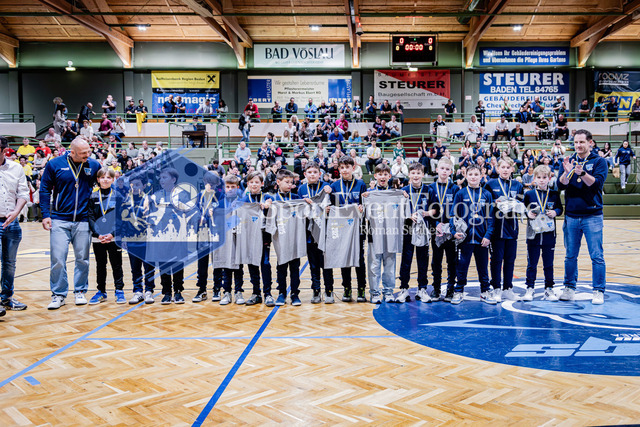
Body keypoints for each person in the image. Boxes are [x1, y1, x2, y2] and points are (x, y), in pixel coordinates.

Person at [40, 137, 101, 309]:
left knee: (83, 259)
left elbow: (104, 185)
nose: (87, 155)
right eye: (83, 153)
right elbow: (44, 189)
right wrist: (45, 214)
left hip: (83, 220)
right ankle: (58, 294)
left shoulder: (94, 165)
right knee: (58, 259)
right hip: (59, 219)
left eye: (89, 151)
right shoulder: (54, 164)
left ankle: (80, 291)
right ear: (72, 152)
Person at [557, 129, 608, 304]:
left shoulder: (599, 161)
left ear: (590, 142)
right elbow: (561, 185)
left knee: (597, 256)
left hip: (592, 215)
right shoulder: (568, 161)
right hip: (571, 216)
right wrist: (567, 173)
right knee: (570, 255)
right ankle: (569, 288)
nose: (578, 145)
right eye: (576, 142)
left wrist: (582, 173)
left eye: (582, 142)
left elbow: (597, 184)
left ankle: (598, 290)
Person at [450, 164, 496, 305]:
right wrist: (454, 232)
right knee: (462, 266)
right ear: (465, 176)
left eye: (476, 174)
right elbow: (453, 215)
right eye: (470, 174)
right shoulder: (461, 194)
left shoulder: (487, 194)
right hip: (465, 239)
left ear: (481, 176)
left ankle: (485, 291)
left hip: (482, 239)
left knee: (483, 267)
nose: (473, 177)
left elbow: (491, 218)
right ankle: (459, 291)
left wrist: (488, 236)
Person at [362, 163, 403, 304]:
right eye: (380, 174)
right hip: (373, 235)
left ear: (389, 176)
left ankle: (388, 292)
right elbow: (363, 215)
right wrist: (364, 199)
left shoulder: (396, 194)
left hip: (390, 235)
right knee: (374, 265)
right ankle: (374, 293)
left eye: (385, 174)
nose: (382, 177)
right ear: (375, 176)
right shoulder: (368, 194)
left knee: (390, 265)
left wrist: (403, 195)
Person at [485, 158, 524, 302]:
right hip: (496, 230)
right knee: (496, 260)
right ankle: (496, 288)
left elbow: (522, 203)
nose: (505, 170)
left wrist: (516, 204)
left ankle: (508, 288)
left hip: (512, 229)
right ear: (497, 168)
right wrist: (494, 203)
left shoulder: (518, 185)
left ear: (512, 169)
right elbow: (485, 203)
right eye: (503, 167)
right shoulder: (490, 184)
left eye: (508, 167)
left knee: (510, 260)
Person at [330, 156, 367, 302]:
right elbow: (332, 207)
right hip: (342, 228)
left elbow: (365, 205)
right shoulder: (334, 186)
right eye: (342, 167)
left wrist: (362, 207)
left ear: (353, 168)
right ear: (339, 169)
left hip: (357, 228)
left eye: (347, 167)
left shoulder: (361, 184)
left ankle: (361, 288)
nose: (345, 170)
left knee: (359, 258)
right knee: (344, 258)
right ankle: (347, 288)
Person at [523, 165, 563, 302]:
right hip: (533, 235)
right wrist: (527, 213)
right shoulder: (529, 194)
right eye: (539, 177)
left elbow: (560, 208)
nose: (541, 180)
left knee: (548, 264)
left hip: (549, 235)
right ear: (534, 178)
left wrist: (555, 212)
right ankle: (530, 288)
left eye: (544, 177)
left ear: (549, 178)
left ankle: (549, 288)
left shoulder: (554, 194)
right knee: (532, 263)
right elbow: (524, 209)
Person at [264, 169, 303, 306]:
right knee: (281, 267)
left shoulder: (297, 198)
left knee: (295, 267)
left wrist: (307, 202)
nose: (290, 185)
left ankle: (295, 293)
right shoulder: (273, 199)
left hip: (295, 237)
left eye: (291, 182)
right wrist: (266, 207)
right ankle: (281, 293)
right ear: (278, 182)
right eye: (287, 182)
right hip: (280, 237)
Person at [87, 167, 125, 304]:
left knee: (116, 264)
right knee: (100, 265)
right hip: (98, 238)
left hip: (114, 237)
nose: (105, 180)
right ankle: (101, 291)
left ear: (113, 179)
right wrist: (98, 234)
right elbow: (90, 217)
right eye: (102, 177)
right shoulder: (92, 196)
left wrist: (112, 234)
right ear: (98, 179)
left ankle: (119, 291)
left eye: (108, 177)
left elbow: (121, 217)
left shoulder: (118, 196)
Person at [297, 162, 334, 304]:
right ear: (305, 174)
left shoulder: (326, 187)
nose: (312, 174)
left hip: (325, 232)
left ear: (320, 174)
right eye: (309, 172)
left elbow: (333, 205)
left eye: (315, 172)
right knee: (313, 264)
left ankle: (329, 291)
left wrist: (329, 204)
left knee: (326, 263)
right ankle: (316, 290)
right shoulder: (301, 189)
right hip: (309, 233)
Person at [0, 137, 29, 313]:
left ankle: (6, 298)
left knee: (10, 263)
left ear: (4, 150)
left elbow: (23, 193)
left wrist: (16, 211)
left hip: (11, 221)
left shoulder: (16, 168)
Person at [398, 162, 434, 303]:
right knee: (406, 260)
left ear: (423, 174)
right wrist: (408, 215)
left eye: (418, 173)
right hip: (407, 229)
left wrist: (426, 213)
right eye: (413, 173)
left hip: (423, 230)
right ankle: (404, 289)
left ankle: (422, 289)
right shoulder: (403, 190)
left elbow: (436, 209)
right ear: (409, 174)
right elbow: (398, 210)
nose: (416, 175)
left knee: (422, 260)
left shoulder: (429, 190)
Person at [428, 157, 458, 302]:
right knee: (436, 261)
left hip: (450, 232)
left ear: (451, 172)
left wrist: (451, 227)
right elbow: (428, 210)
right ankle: (436, 288)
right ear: (437, 170)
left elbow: (457, 212)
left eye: (447, 169)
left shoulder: (455, 188)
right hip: (436, 231)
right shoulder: (430, 188)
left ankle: (451, 289)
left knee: (452, 261)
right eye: (442, 168)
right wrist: (435, 225)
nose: (444, 171)